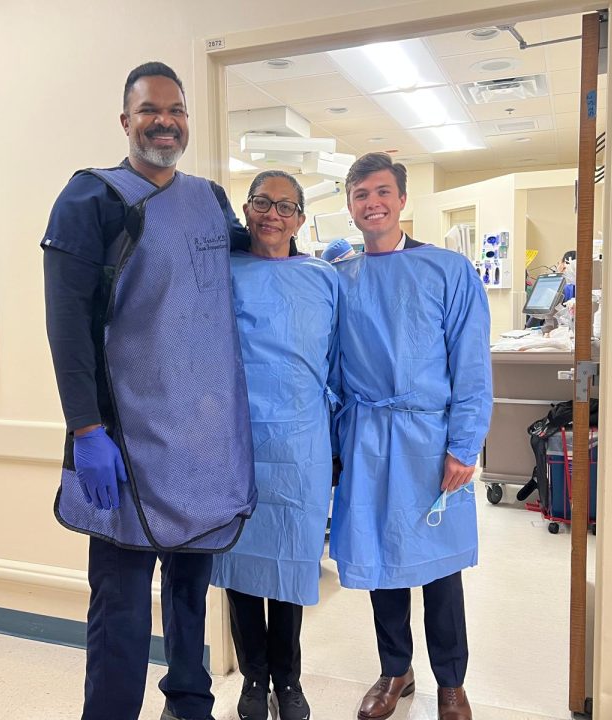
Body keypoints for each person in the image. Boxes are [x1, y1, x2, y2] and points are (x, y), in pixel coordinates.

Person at [41, 61, 257, 720]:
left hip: (201, 445)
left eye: (176, 110)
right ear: (125, 121)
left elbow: (249, 260)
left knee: (191, 599)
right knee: (122, 611)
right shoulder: (92, 198)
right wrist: (86, 430)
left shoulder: (210, 199)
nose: (165, 122)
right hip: (125, 442)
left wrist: (313, 256)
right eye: (149, 110)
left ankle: (189, 705)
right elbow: (67, 326)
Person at [329, 153, 492, 720]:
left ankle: (451, 682)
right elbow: (331, 370)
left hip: (429, 436)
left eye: (382, 192)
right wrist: (334, 447)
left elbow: (471, 366)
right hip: (366, 437)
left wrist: (463, 446)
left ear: (401, 199)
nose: (371, 203)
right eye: (360, 195)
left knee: (439, 566)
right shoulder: (341, 278)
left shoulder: (448, 271)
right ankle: (395, 669)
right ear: (350, 207)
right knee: (380, 559)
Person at [210, 170, 339, 720]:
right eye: (262, 203)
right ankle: (253, 676)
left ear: (301, 220)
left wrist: (338, 445)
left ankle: (288, 680)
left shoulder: (324, 279)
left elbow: (339, 362)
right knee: (240, 563)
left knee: (291, 562)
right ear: (246, 210)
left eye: (286, 207)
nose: (273, 215)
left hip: (301, 444)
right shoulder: (221, 273)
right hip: (235, 440)